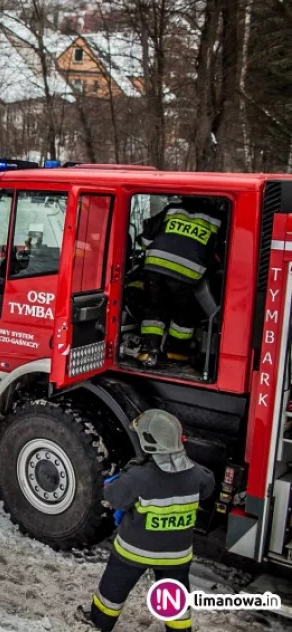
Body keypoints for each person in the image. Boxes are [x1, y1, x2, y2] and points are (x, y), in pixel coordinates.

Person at [76, 409, 214, 632]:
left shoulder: (138, 477)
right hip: (176, 556)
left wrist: (123, 476)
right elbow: (207, 488)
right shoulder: (199, 475)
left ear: (148, 443)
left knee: (113, 589)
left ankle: (99, 621)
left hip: (133, 552)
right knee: (174, 596)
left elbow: (113, 496)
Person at [136, 197, 224, 368]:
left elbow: (146, 238)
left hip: (155, 265)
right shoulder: (218, 218)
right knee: (183, 312)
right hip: (188, 271)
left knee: (154, 308)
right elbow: (222, 250)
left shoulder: (173, 209)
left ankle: (149, 349)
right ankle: (175, 352)